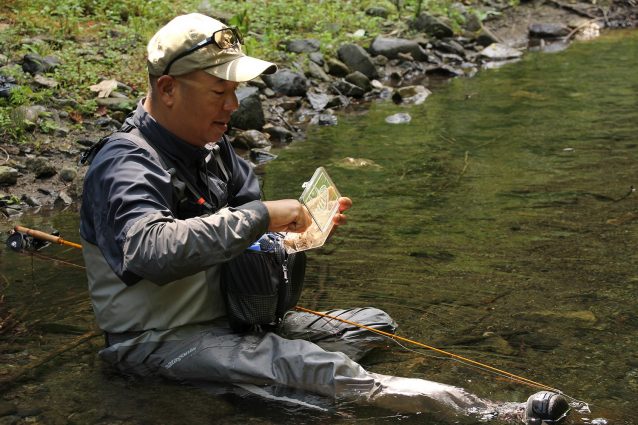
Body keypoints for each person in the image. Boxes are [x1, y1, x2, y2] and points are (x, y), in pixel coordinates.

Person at [79, 13, 570, 424]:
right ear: (167, 89)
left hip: (235, 320)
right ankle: (497, 413)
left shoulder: (215, 149)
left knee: (376, 324)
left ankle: (270, 384)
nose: (233, 105)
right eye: (218, 91)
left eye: (236, 89)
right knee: (329, 375)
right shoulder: (125, 164)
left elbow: (247, 240)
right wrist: (263, 216)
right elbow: (149, 251)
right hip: (159, 342)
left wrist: (296, 236)